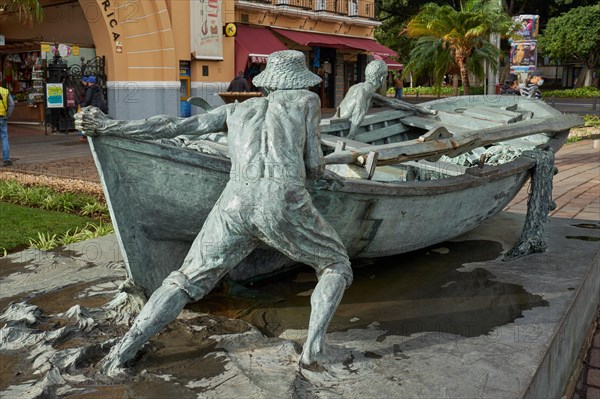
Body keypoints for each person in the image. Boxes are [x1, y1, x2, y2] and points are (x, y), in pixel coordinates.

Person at [75, 50, 352, 376]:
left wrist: (109, 126)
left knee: (183, 280)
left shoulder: (235, 110)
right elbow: (314, 166)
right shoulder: (306, 102)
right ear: (300, 82)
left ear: (265, 85)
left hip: (235, 200)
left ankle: (124, 351)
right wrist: (323, 175)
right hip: (283, 199)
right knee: (335, 265)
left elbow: (173, 126)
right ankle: (312, 350)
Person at [337, 60, 434, 140]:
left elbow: (391, 102)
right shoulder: (365, 91)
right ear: (383, 78)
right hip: (342, 125)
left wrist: (419, 109)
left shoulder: (358, 87)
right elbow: (359, 111)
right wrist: (351, 136)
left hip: (337, 121)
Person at [0, 85, 15, 167]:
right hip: (3, 118)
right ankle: (6, 160)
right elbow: (12, 104)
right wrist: (8, 115)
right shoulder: (5, 91)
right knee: (4, 138)